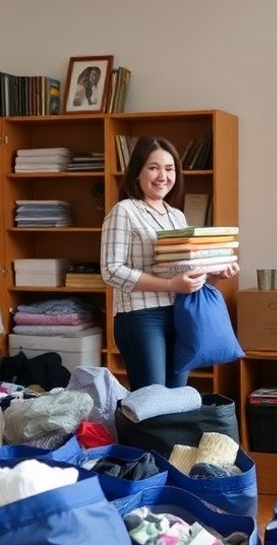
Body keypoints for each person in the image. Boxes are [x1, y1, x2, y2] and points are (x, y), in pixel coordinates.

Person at [101, 136, 240, 389]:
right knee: (152, 397)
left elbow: (182, 268)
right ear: (137, 173)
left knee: (177, 397)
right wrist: (171, 285)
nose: (162, 176)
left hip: (180, 313)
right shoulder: (125, 211)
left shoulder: (176, 216)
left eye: (169, 168)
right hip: (141, 317)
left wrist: (214, 274)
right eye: (153, 167)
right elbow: (111, 271)